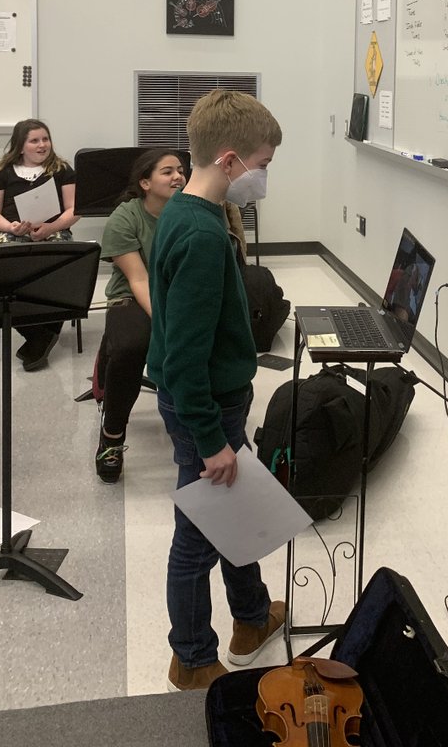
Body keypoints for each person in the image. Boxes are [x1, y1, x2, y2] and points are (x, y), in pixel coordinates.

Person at [147, 89, 285, 692]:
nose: (263, 177)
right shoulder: (203, 237)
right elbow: (184, 356)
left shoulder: (184, 207)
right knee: (198, 535)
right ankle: (193, 655)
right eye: (262, 164)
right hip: (204, 404)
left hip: (209, 399)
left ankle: (251, 618)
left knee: (235, 510)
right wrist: (209, 439)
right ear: (229, 160)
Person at [94, 149, 186, 483]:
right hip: (132, 296)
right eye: (167, 172)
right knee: (132, 346)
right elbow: (139, 279)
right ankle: (112, 436)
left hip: (178, 292)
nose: (178, 176)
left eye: (180, 170)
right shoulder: (125, 217)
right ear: (145, 183)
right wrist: (165, 322)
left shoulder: (190, 210)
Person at [0, 119, 79, 371]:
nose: (42, 145)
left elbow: (74, 209)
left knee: (59, 271)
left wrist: (50, 228)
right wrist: (10, 227)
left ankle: (42, 334)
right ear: (21, 145)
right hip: (14, 231)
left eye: (45, 139)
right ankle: (41, 334)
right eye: (34, 140)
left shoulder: (62, 169)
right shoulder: (0, 172)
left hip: (53, 230)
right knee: (2, 277)